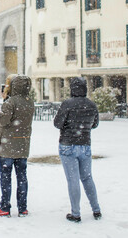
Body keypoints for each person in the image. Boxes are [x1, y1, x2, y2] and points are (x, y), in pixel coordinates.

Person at [53, 76, 102, 222]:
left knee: (73, 179)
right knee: (87, 178)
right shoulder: (92, 105)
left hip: (68, 145)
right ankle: (96, 209)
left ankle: (76, 213)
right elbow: (95, 124)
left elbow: (57, 123)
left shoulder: (67, 104)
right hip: (85, 145)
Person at [0, 75, 35, 217]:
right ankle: (23, 208)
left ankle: (5, 207)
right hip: (23, 144)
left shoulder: (10, 103)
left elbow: (4, 121)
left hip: (7, 146)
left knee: (5, 178)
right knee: (22, 176)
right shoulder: (30, 102)